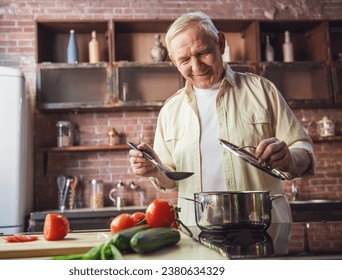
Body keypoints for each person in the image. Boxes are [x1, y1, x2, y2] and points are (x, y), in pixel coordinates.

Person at [128, 11, 315, 226]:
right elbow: (170, 179)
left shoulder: (263, 91)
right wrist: (155, 169)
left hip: (262, 228)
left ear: (221, 43)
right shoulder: (170, 110)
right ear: (173, 60)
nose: (197, 67)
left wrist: (290, 158)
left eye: (203, 52)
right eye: (185, 60)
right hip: (196, 232)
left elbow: (304, 150)